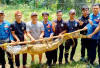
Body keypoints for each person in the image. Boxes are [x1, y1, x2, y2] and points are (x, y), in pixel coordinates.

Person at [82, 3, 100, 68]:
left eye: (96, 8)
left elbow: (98, 27)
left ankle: (95, 63)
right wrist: (86, 27)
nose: (95, 9)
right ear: (92, 8)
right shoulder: (91, 15)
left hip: (96, 36)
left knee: (96, 50)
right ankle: (90, 61)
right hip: (89, 36)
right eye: (94, 8)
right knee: (90, 50)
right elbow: (89, 24)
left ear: (99, 8)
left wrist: (93, 25)